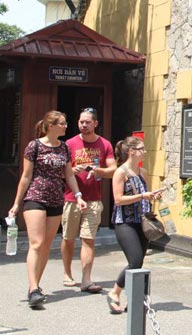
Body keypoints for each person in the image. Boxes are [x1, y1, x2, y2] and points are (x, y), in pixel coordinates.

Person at [8, 110, 88, 308]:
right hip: (35, 197)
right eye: (62, 123)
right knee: (36, 243)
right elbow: (26, 176)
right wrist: (17, 203)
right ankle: (34, 289)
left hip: (55, 199)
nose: (66, 126)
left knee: (46, 245)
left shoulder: (64, 148)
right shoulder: (34, 146)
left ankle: (35, 286)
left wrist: (78, 196)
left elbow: (69, 175)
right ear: (51, 126)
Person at [61, 107, 116, 293]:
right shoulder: (69, 144)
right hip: (71, 198)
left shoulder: (105, 144)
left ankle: (86, 279)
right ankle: (67, 273)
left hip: (94, 199)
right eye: (81, 121)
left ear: (95, 123)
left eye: (87, 122)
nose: (83, 125)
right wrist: (72, 171)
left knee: (88, 239)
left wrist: (98, 170)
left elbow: (113, 169)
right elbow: (59, 171)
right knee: (68, 239)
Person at [106, 136, 162, 314]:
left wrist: (153, 196)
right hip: (125, 222)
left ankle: (133, 301)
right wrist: (142, 196)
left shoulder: (142, 172)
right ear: (131, 152)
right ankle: (115, 292)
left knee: (138, 262)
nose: (144, 152)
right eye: (141, 149)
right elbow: (118, 199)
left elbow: (145, 194)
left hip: (142, 222)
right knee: (135, 259)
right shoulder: (120, 172)